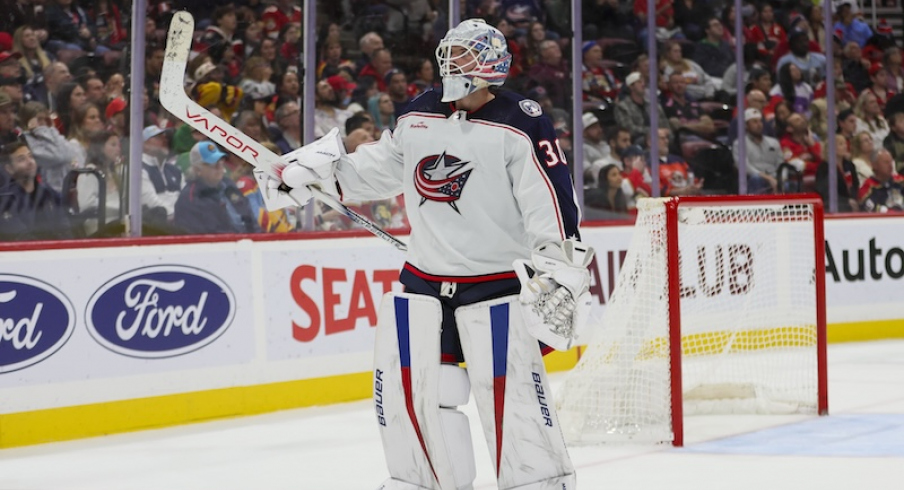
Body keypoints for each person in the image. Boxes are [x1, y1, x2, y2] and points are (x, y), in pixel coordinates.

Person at [258, 18, 586, 490]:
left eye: (465, 55)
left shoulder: (521, 123)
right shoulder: (419, 113)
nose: (452, 63)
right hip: (424, 281)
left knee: (511, 403)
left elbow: (551, 201)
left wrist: (559, 267)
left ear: (492, 66)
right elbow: (382, 166)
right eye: (449, 53)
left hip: (495, 285)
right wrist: (317, 177)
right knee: (414, 397)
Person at [174, 141, 260, 234]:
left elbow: (249, 217)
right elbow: (205, 236)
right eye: (213, 164)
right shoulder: (190, 199)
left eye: (220, 160)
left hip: (249, 242)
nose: (219, 166)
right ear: (197, 169)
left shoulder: (229, 185)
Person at [0, 138, 72, 240]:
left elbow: (65, 230)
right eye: (21, 159)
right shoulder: (5, 199)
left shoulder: (50, 194)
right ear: (9, 169)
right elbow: (21, 237)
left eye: (30, 156)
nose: (29, 162)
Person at [733, 108, 784, 194]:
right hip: (754, 177)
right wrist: (767, 178)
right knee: (756, 179)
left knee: (789, 183)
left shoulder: (773, 142)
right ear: (746, 125)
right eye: (754, 122)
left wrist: (781, 179)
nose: (759, 124)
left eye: (760, 121)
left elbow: (781, 163)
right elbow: (745, 167)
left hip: (774, 176)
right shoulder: (739, 143)